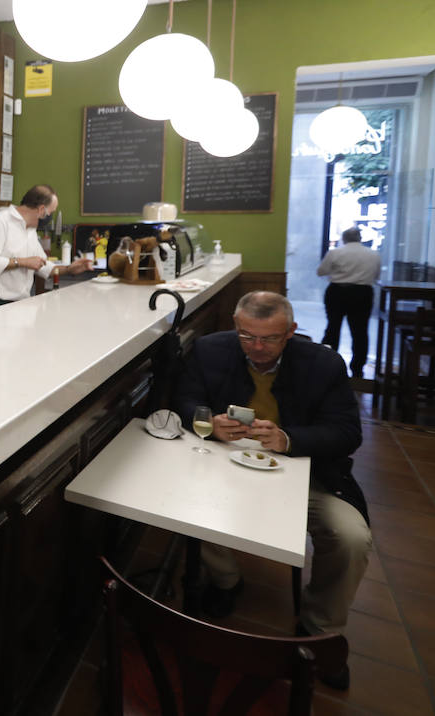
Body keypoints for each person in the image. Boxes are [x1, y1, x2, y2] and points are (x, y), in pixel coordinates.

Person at [174, 291, 370, 690]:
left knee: (351, 536)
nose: (257, 348)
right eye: (247, 336)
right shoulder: (210, 350)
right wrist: (209, 422)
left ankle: (320, 629)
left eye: (270, 338)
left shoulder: (324, 364)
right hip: (226, 464)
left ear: (292, 332)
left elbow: (348, 432)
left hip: (307, 471)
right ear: (235, 325)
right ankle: (226, 581)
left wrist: (288, 438)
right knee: (191, 502)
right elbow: (183, 399)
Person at [0, 184, 91, 305]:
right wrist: (23, 262)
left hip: (21, 302)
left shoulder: (30, 230)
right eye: (51, 213)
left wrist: (69, 269)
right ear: (41, 210)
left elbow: (43, 265)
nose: (50, 218)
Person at [316, 226, 381, 379]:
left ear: (344, 239)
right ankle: (358, 369)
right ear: (360, 238)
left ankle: (327, 364)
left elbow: (321, 272)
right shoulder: (373, 254)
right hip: (363, 293)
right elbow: (376, 276)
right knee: (360, 332)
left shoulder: (335, 252)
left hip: (337, 292)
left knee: (332, 328)